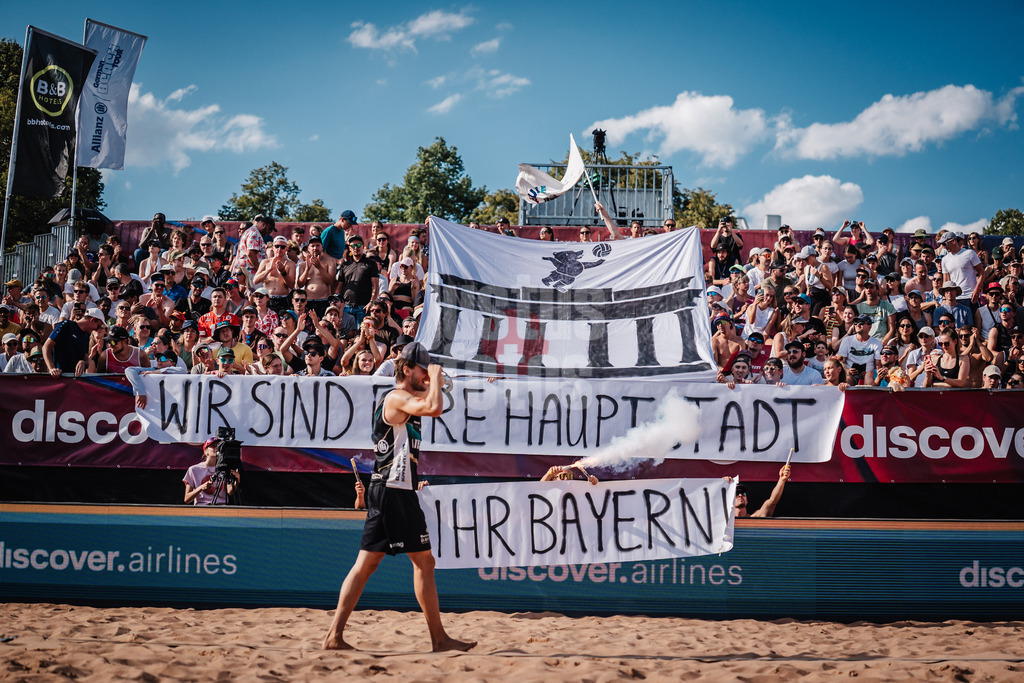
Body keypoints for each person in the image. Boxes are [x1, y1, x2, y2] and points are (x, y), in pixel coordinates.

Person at [323, 342, 475, 653]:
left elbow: (436, 402)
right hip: (394, 489)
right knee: (418, 563)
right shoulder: (396, 398)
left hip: (392, 489)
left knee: (373, 565)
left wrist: (439, 381)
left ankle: (335, 637)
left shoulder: (406, 397)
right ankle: (437, 639)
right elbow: (434, 408)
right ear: (407, 369)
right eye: (422, 369)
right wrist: (435, 378)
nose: (426, 376)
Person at [183, 437, 240, 506]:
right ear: (206, 451)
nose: (217, 448)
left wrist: (237, 480)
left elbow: (229, 491)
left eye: (219, 446)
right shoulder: (194, 469)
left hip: (221, 508)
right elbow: (187, 499)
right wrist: (201, 488)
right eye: (213, 446)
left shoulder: (225, 468)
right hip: (202, 508)